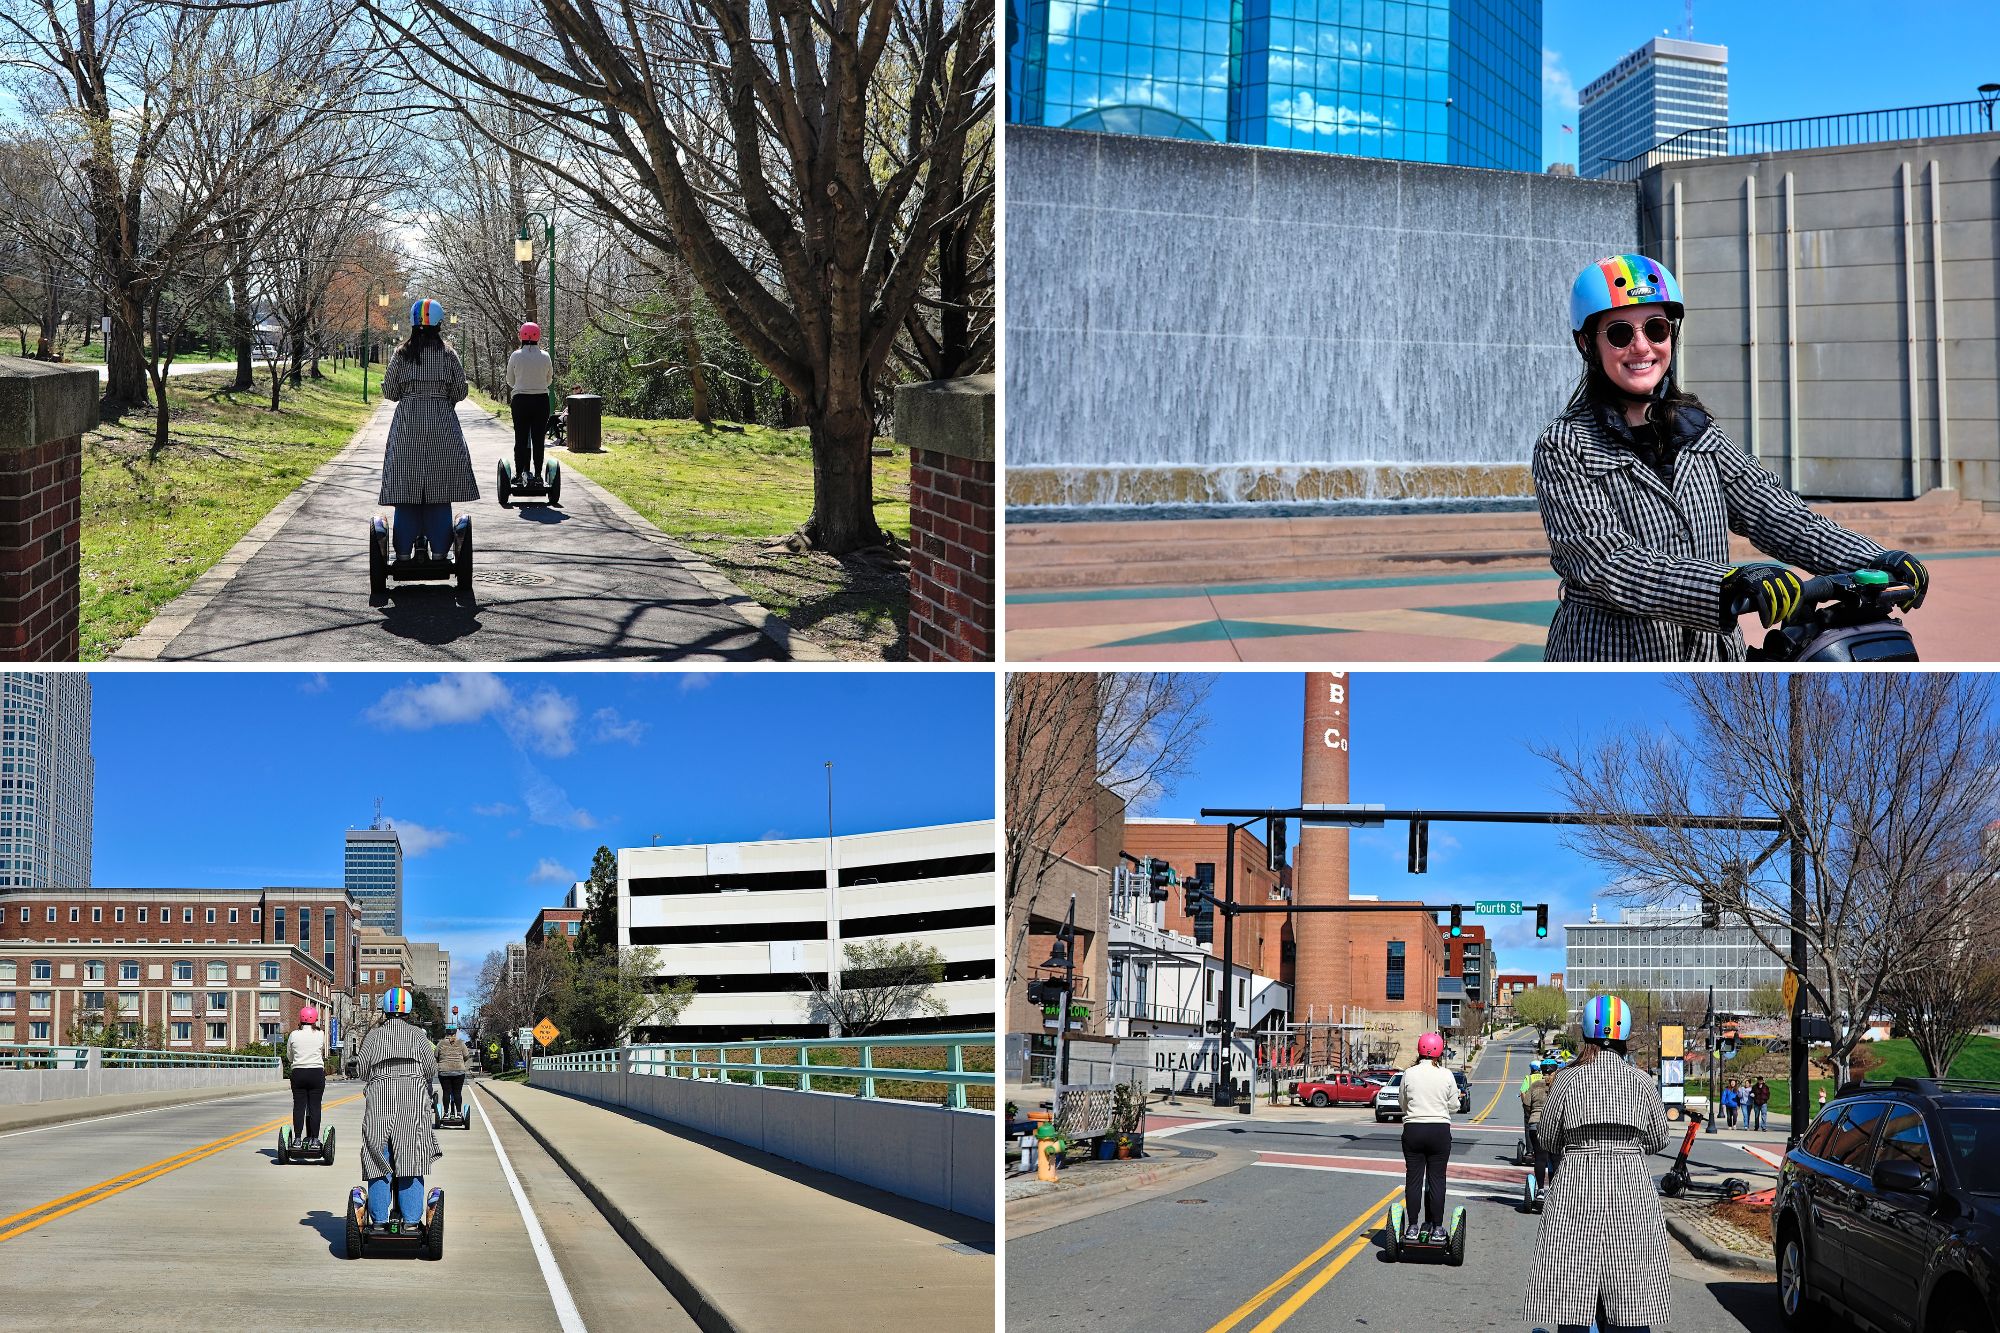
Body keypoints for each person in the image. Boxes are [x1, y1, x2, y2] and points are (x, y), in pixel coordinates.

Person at [1533, 254, 1929, 662]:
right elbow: (1610, 565)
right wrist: (1728, 584)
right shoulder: (1565, 445)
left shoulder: (1698, 430)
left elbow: (1776, 514)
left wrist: (1871, 558)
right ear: (1587, 344)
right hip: (1613, 658)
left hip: (1713, 657)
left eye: (1656, 328)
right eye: (1619, 333)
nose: (1641, 346)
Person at [1525, 996, 1673, 1333]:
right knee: (1631, 1278)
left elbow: (1547, 1139)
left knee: (1573, 1279)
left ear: (1586, 1032)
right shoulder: (1642, 1081)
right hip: (1630, 1185)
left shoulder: (1565, 1080)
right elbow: (1658, 1139)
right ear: (1626, 1034)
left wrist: (1577, 1146)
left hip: (1576, 1184)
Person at [379, 299, 477, 563]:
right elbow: (460, 390)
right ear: (439, 324)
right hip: (441, 422)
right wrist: (442, 398)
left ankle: (401, 552)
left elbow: (389, 392)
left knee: (406, 484)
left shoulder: (402, 354)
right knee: (439, 485)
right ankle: (440, 551)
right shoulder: (448, 354)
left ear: (413, 323)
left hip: (407, 422)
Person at [357, 988, 440, 1228]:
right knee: (411, 1156)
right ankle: (412, 1221)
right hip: (412, 1097)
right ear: (409, 1010)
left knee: (378, 1156)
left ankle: (380, 1220)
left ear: (385, 1009)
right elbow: (431, 1069)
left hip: (380, 1095)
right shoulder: (418, 1035)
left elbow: (362, 1070)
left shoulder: (374, 1035)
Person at [1399, 1032, 1460, 1244]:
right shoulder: (1446, 1075)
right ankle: (1437, 1228)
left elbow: (1402, 1103)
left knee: (1414, 1179)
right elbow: (1454, 1105)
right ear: (1440, 1052)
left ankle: (1413, 1226)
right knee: (1437, 1180)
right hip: (1439, 1130)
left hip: (1414, 1129)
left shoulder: (1409, 1073)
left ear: (1419, 1050)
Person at [506, 323, 555, 480]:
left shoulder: (516, 355)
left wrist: (522, 386)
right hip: (541, 401)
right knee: (538, 439)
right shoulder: (545, 356)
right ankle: (539, 475)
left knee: (520, 438)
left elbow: (510, 380)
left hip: (521, 400)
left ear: (521, 336)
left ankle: (520, 473)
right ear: (538, 336)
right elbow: (549, 380)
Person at [286, 1004, 327, 1146]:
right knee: (315, 1107)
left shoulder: (293, 1035)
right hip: (316, 1073)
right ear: (315, 1019)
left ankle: (297, 1139)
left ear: (300, 1019)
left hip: (299, 1073)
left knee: (299, 1106)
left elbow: (290, 1056)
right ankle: (315, 1139)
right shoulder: (320, 1034)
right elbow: (323, 1052)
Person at [1521, 1057, 1557, 1201]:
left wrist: (1533, 1115)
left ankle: (1540, 1190)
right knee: (1556, 1159)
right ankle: (1554, 1190)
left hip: (1535, 1124)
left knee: (1540, 1159)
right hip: (1554, 1126)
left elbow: (1526, 1103)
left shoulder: (1535, 1085)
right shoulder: (1559, 1085)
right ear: (1556, 1070)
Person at [435, 1023, 471, 1117]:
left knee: (446, 1092)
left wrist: (442, 1061)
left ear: (446, 1032)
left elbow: (436, 1056)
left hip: (444, 1071)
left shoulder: (441, 1043)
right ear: (456, 1032)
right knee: (457, 1092)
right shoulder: (461, 1043)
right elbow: (466, 1056)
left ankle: (446, 1113)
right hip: (459, 1071)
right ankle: (459, 1113)